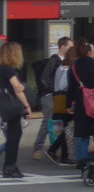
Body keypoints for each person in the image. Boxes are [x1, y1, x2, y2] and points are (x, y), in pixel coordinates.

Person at [66, 40, 94, 166]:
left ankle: (82, 160)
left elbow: (71, 88)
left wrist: (68, 105)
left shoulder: (73, 67)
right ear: (90, 52)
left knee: (81, 133)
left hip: (81, 103)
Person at [31, 36, 70, 160]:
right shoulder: (54, 61)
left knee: (57, 122)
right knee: (48, 121)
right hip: (50, 95)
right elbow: (44, 78)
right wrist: (54, 89)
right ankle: (37, 148)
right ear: (63, 46)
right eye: (70, 46)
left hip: (57, 95)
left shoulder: (63, 61)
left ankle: (54, 148)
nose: (71, 48)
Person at [0, 41, 33, 179]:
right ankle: (10, 167)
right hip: (11, 108)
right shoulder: (8, 70)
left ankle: (10, 166)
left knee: (10, 137)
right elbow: (17, 89)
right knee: (14, 137)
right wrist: (27, 106)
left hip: (3, 107)